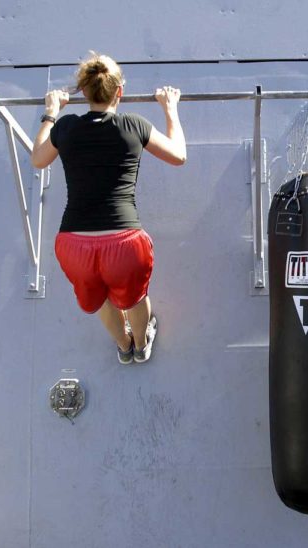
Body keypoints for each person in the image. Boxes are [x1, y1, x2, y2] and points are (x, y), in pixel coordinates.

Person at [31, 52, 186, 364]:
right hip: (124, 244)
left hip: (74, 244)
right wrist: (170, 109)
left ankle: (123, 344)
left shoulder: (66, 127)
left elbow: (38, 159)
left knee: (101, 298)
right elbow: (178, 155)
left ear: (84, 92)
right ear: (120, 91)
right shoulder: (133, 125)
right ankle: (141, 344)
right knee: (134, 297)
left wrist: (50, 113)